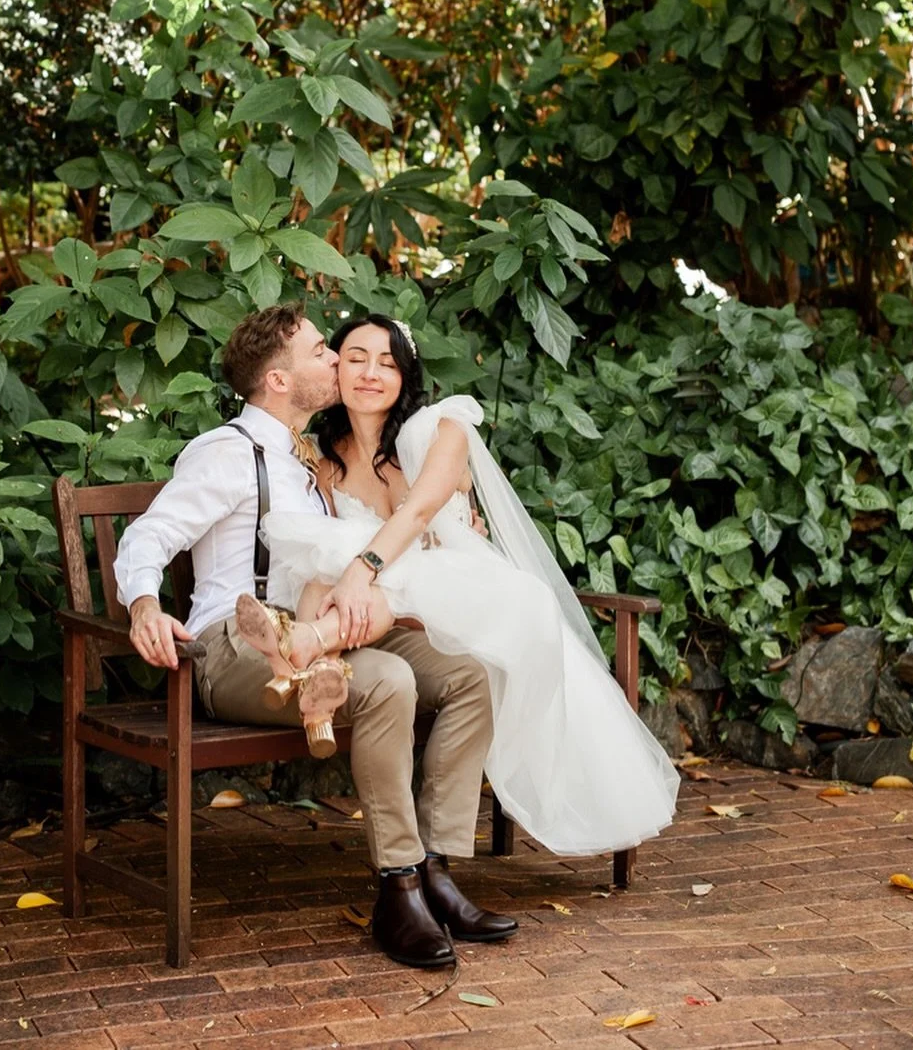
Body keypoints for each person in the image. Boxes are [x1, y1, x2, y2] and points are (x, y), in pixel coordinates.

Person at [114, 302, 516, 971]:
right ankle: (399, 885)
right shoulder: (229, 453)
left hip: (322, 637)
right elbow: (150, 535)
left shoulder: (315, 460)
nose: (338, 360)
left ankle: (437, 868)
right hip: (228, 648)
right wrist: (143, 607)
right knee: (388, 681)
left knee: (469, 672)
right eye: (322, 351)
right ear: (278, 380)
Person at [238, 313, 680, 862]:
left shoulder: (441, 428)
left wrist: (364, 566)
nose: (370, 373)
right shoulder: (323, 461)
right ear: (337, 371)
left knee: (362, 568)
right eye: (355, 358)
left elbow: (421, 510)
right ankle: (310, 665)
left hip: (467, 597)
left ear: (407, 375)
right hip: (389, 618)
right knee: (326, 558)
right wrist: (353, 571)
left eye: (387, 362)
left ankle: (303, 646)